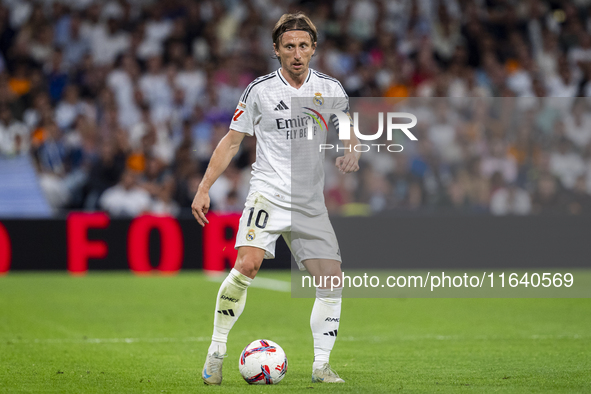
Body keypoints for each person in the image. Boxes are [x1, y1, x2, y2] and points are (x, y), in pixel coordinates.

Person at [191, 12, 359, 385]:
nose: (297, 53)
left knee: (331, 279)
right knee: (248, 265)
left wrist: (352, 150)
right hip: (268, 194)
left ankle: (321, 366)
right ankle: (217, 351)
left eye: (303, 46)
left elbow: (347, 125)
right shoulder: (259, 91)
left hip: (310, 203)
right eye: (289, 47)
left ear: (313, 48)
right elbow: (232, 141)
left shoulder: (330, 88)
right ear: (276, 51)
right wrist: (204, 188)